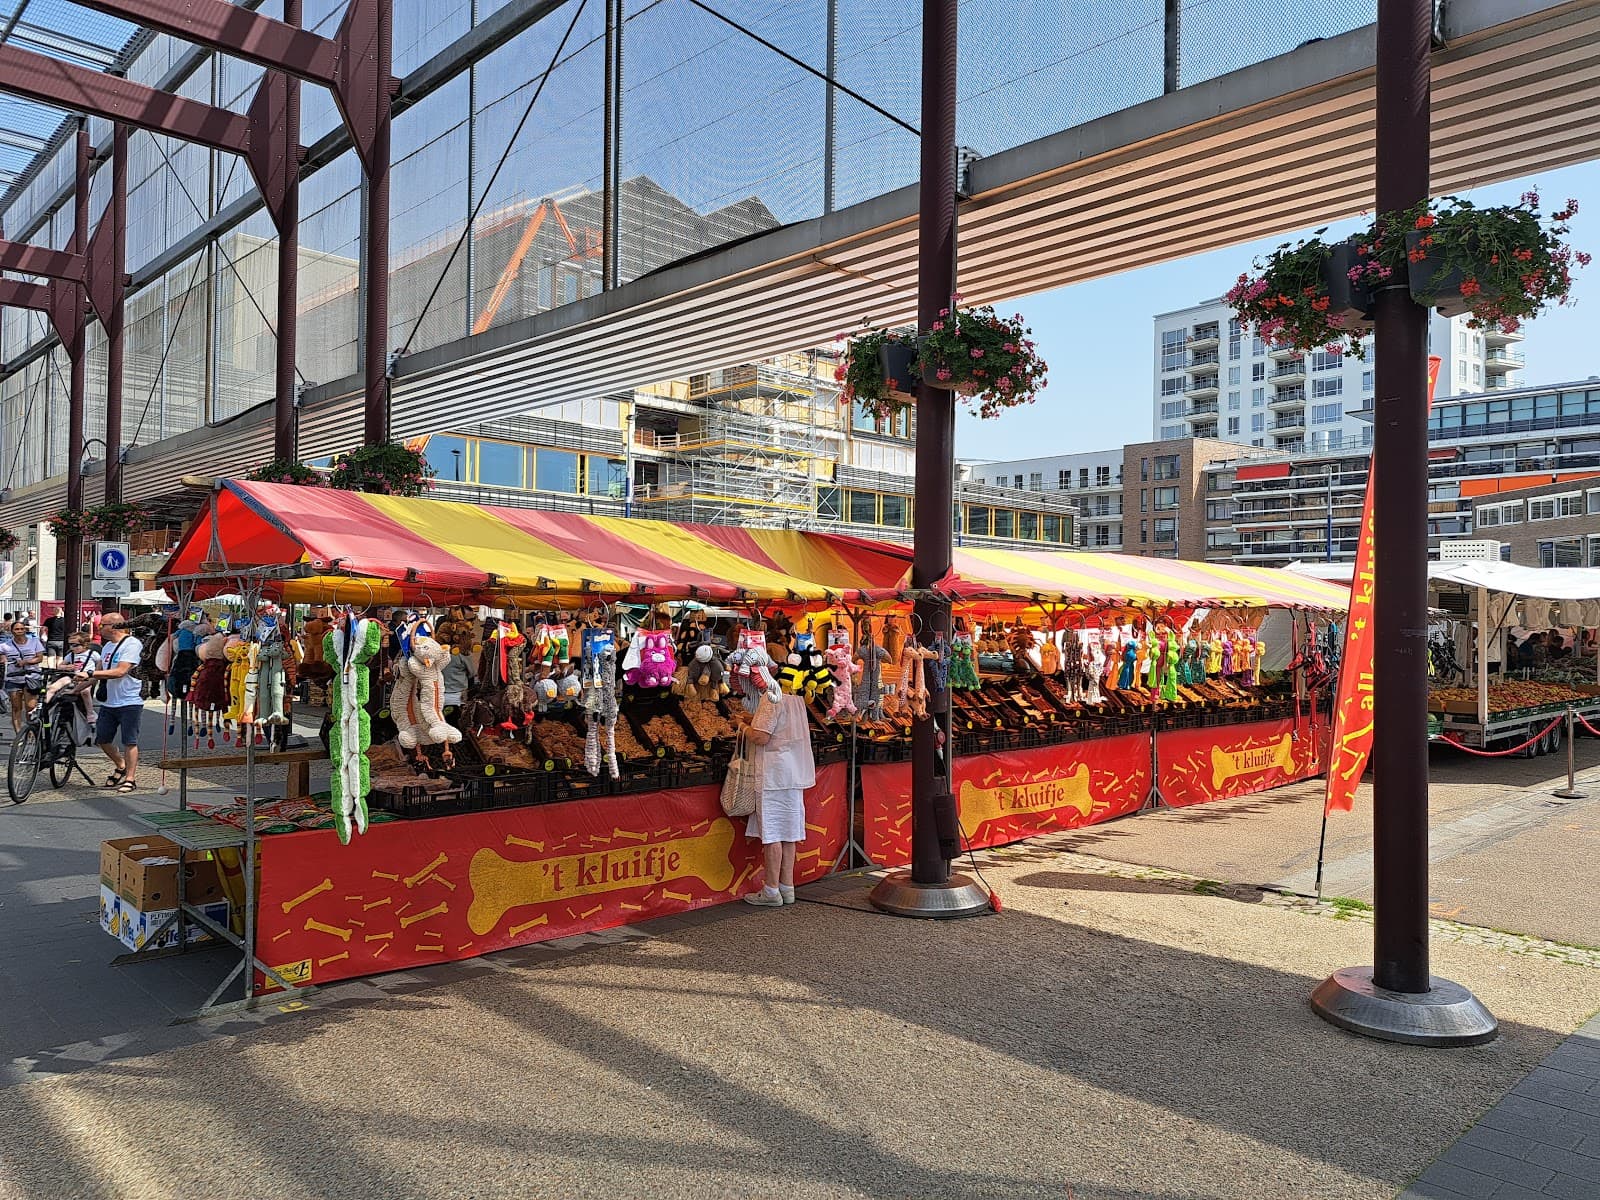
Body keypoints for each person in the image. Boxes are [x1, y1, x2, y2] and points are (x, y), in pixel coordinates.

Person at [740, 689, 817, 907]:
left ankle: (771, 890)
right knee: (789, 833)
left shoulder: (772, 696)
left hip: (773, 775)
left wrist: (742, 726)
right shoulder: (798, 697)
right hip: (793, 772)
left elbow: (760, 737)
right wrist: (753, 719)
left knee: (773, 833)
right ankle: (787, 887)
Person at [79, 614, 144, 792]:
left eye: (102, 625)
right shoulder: (107, 646)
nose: (99, 628)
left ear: (114, 626)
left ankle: (130, 779)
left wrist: (90, 674)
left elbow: (120, 671)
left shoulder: (132, 644)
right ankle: (121, 765)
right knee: (102, 739)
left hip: (130, 700)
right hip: (110, 701)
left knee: (129, 741)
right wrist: (75, 689)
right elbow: (98, 673)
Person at [0, 618, 46, 735]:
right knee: (16, 707)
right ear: (12, 631)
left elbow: (39, 658)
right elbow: (2, 658)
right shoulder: (5, 645)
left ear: (25, 630)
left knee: (30, 707)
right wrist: (4, 660)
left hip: (31, 677)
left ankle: (31, 732)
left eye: (21, 629)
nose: (19, 631)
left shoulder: (34, 642)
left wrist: (25, 662)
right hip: (13, 678)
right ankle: (19, 735)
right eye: (17, 629)